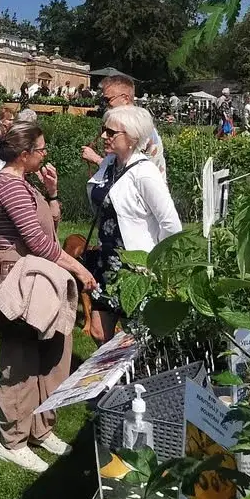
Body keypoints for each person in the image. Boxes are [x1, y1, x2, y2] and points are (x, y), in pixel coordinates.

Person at [0, 122, 97, 473]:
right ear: (24, 154)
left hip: (42, 278)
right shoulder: (10, 186)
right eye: (42, 149)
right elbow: (38, 244)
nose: (46, 153)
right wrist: (79, 270)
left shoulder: (25, 183)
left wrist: (51, 193)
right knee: (20, 359)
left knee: (53, 353)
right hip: (21, 282)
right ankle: (13, 440)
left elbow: (51, 228)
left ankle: (41, 428)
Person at [84, 106, 182, 343]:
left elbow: (171, 223)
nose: (105, 136)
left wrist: (154, 263)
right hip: (104, 260)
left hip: (133, 267)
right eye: (104, 130)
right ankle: (110, 379)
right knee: (98, 332)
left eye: (111, 132)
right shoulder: (109, 164)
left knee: (135, 335)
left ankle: (132, 378)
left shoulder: (145, 173)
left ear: (132, 138)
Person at [82, 74, 167, 177]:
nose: (105, 104)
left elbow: (128, 171)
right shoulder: (125, 124)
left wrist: (96, 159)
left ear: (125, 99)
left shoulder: (136, 128)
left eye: (108, 100)